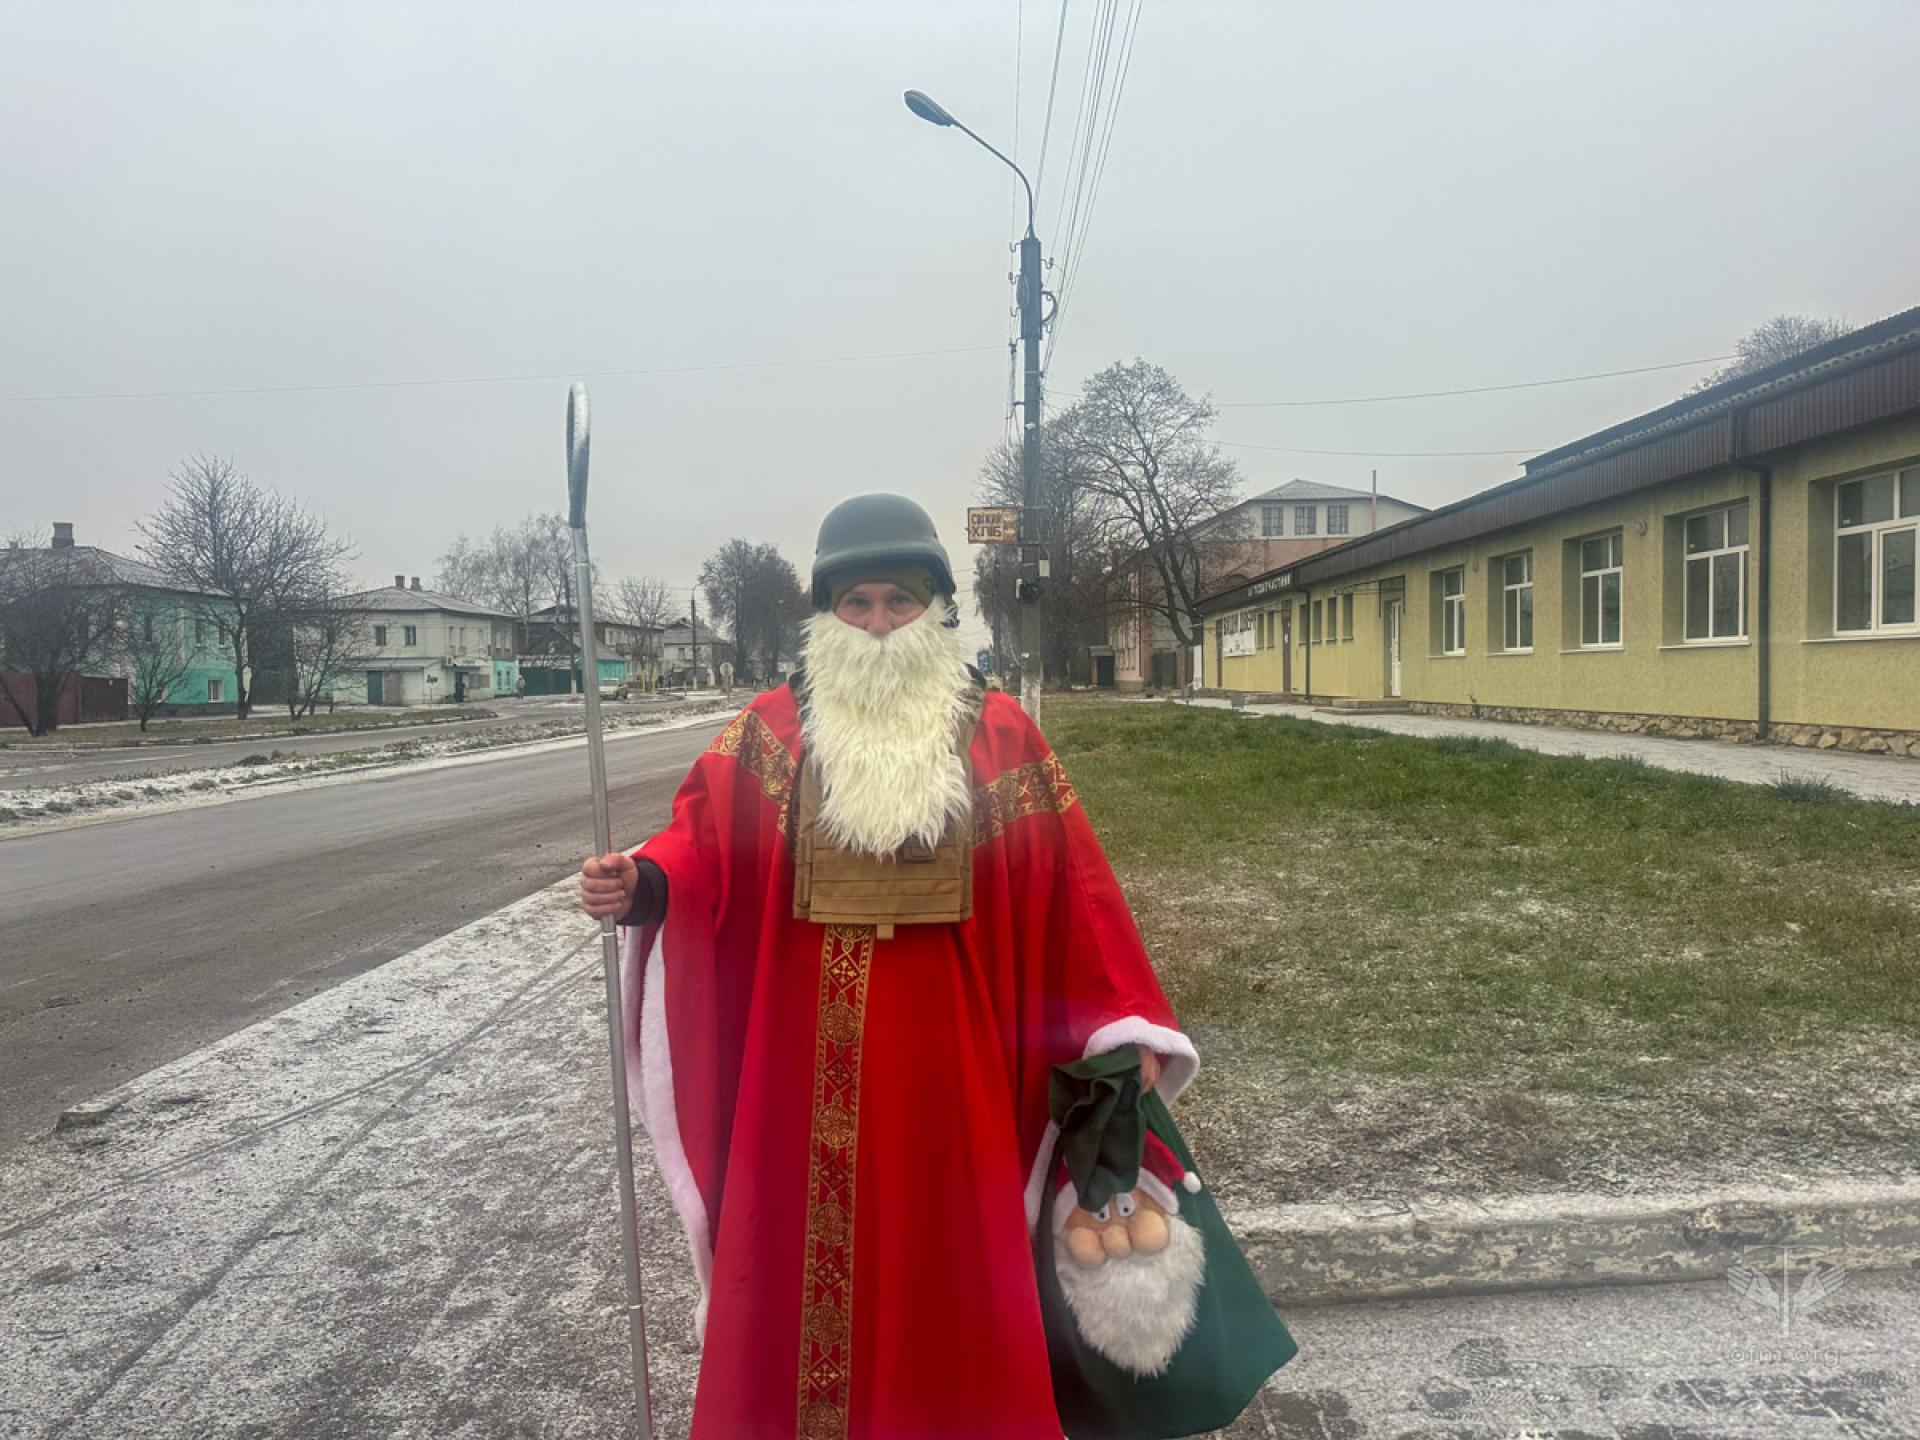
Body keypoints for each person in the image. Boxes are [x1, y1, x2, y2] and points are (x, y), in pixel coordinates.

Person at [580, 494, 1197, 1440]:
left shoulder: (1001, 735)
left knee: (953, 1277)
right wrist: (646, 881)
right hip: (796, 1086)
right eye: (857, 603)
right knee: (794, 1273)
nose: (877, 624)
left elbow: (1068, 886)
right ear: (827, 614)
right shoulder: (770, 735)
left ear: (936, 609)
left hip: (955, 1081)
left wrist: (1121, 1023)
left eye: (899, 601)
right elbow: (703, 842)